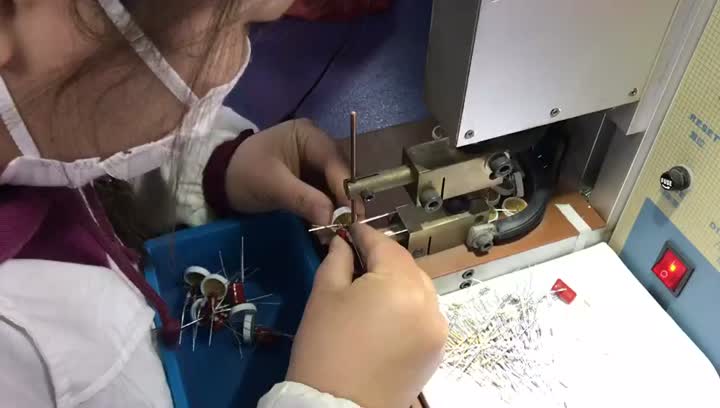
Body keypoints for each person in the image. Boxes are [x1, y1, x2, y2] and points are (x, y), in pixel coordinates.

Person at [0, 1, 448, 407]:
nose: (237, 62)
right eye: (234, 24)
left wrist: (215, 169)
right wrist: (336, 399)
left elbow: (81, 153)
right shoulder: (33, 357)